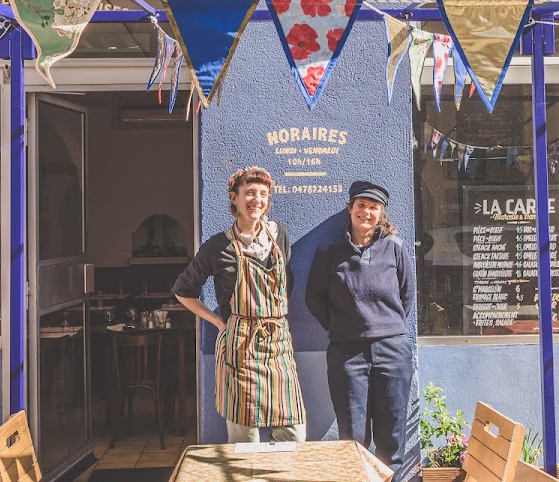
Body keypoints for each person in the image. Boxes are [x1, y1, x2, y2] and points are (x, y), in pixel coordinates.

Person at [171, 166, 306, 443]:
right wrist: (219, 322)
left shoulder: (279, 235)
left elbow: (286, 285)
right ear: (235, 198)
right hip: (240, 348)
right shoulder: (218, 247)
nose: (256, 200)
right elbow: (184, 291)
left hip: (278, 345)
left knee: (292, 433)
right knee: (245, 436)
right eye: (249, 193)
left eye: (263, 194)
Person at [306, 180, 415, 476]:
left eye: (373, 207)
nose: (366, 212)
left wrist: (386, 324)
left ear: (382, 213)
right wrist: (340, 326)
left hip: (393, 350)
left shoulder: (395, 248)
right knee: (352, 436)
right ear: (350, 209)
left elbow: (406, 295)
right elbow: (313, 297)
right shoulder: (329, 253)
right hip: (346, 352)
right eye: (361, 205)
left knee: (391, 435)